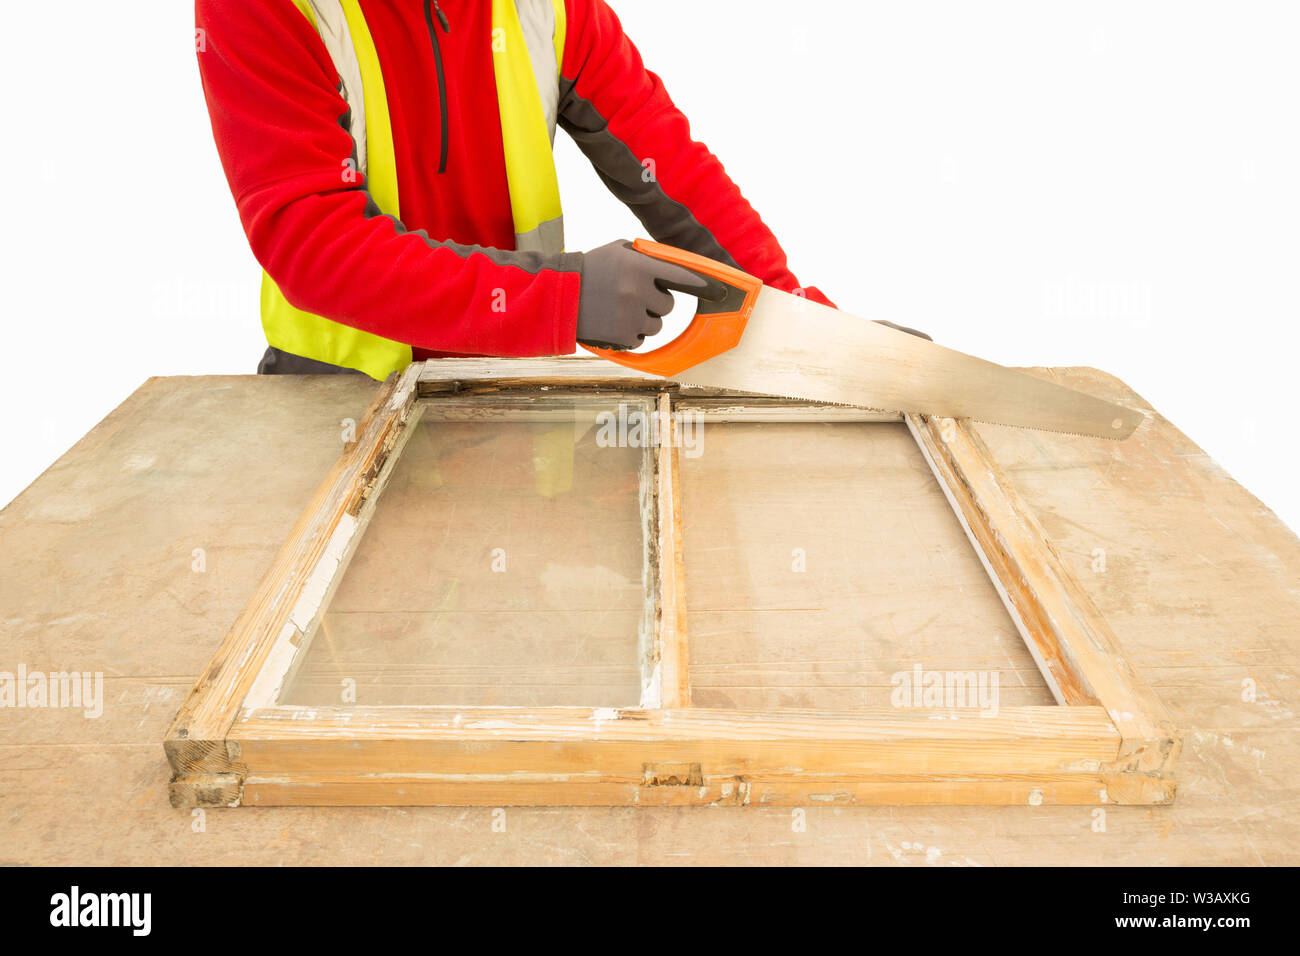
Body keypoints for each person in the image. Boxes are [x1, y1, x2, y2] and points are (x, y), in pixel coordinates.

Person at [195, 0, 839, 379]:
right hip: (335, 405)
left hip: (511, 389)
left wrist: (796, 320)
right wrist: (563, 298)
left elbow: (665, 162)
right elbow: (311, 240)